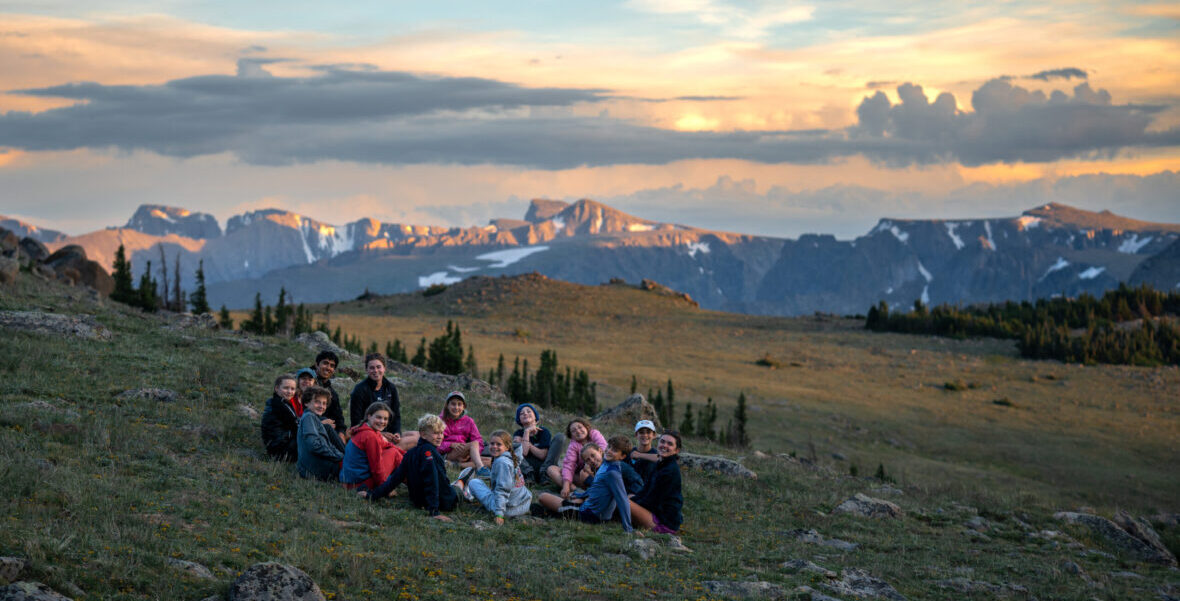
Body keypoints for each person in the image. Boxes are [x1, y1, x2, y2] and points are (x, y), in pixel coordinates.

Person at [365, 414, 458, 521]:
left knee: (453, 484)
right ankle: (463, 482)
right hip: (445, 502)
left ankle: (461, 481)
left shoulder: (410, 453)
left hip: (418, 502)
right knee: (458, 489)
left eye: (441, 433)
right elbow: (431, 481)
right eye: (436, 433)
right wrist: (434, 511)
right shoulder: (429, 452)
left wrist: (372, 495)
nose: (440, 436)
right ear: (423, 434)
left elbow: (395, 480)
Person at [539, 436, 634, 533]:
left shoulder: (613, 473)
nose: (609, 451)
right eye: (609, 447)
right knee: (570, 499)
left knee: (543, 497)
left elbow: (622, 500)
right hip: (589, 508)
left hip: (590, 515)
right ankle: (552, 511)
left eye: (614, 450)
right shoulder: (606, 464)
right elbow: (596, 489)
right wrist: (580, 494)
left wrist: (628, 529)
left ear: (622, 456)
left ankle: (550, 512)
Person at [454, 430, 532, 524]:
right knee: (482, 483)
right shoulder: (513, 456)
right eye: (492, 443)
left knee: (474, 483)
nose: (494, 446)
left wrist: (499, 514)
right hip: (524, 503)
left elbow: (502, 489)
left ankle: (467, 492)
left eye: (498, 444)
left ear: (507, 447)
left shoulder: (501, 462)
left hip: (508, 510)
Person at [350, 353, 418, 451]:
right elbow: (356, 423)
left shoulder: (391, 388)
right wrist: (380, 434)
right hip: (368, 434)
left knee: (419, 435)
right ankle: (391, 452)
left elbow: (396, 416)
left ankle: (392, 449)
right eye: (372, 368)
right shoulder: (359, 390)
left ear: (384, 368)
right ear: (366, 370)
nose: (375, 371)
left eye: (378, 367)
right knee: (414, 441)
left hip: (388, 433)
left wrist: (396, 433)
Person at [340, 402, 406, 491]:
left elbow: (387, 445)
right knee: (393, 453)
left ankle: (413, 479)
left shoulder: (364, 428)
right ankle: (416, 483)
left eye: (385, 419)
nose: (382, 421)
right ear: (369, 416)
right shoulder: (370, 436)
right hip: (358, 484)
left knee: (394, 451)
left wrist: (408, 456)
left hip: (348, 481)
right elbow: (376, 469)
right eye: (378, 417)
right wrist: (384, 489)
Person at [629, 431, 684, 534]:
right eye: (662, 442)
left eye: (670, 444)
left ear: (676, 450)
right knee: (628, 497)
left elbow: (651, 501)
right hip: (655, 513)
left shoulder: (669, 471)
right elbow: (645, 491)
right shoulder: (660, 464)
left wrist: (632, 503)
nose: (664, 446)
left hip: (663, 523)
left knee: (623, 501)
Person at [546, 417, 608, 498]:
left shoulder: (594, 434)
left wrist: (590, 464)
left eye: (580, 427)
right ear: (571, 436)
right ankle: (575, 491)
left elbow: (603, 447)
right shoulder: (573, 445)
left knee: (585, 472)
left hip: (599, 471)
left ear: (586, 427)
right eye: (574, 431)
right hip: (581, 477)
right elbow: (569, 465)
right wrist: (566, 485)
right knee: (552, 469)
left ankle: (592, 491)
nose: (578, 431)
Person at [296, 386, 346, 481]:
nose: (321, 406)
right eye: (317, 402)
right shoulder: (309, 417)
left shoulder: (313, 418)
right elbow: (314, 445)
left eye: (324, 403)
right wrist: (339, 457)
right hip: (316, 470)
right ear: (306, 403)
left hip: (316, 467)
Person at [437, 391, 487, 475]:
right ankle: (480, 469)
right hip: (446, 453)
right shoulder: (440, 420)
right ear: (447, 405)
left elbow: (479, 441)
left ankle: (455, 465)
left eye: (459, 404)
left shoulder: (469, 421)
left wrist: (472, 454)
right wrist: (450, 445)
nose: (456, 407)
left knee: (489, 461)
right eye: (453, 404)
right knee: (473, 444)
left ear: (464, 407)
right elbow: (434, 443)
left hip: (463, 451)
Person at [260, 374, 301, 462]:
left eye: (292, 389)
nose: (289, 391)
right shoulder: (278, 405)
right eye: (286, 388)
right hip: (280, 450)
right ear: (276, 388)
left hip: (279, 446)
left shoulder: (282, 403)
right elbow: (295, 426)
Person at [512, 403, 555, 484]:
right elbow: (524, 453)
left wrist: (527, 444)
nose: (525, 413)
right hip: (527, 468)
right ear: (519, 420)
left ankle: (544, 475)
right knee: (512, 446)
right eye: (522, 413)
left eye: (528, 411)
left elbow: (542, 455)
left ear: (535, 417)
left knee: (559, 437)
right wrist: (527, 432)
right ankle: (529, 475)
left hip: (542, 466)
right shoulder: (518, 433)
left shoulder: (544, 431)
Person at [310, 351, 347, 438]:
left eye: (332, 366)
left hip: (328, 432)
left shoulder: (332, 393)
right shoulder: (306, 384)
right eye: (325, 363)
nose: (328, 368)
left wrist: (341, 433)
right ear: (316, 364)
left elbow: (339, 418)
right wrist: (320, 423)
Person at [629, 419, 659, 485]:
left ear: (654, 435)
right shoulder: (630, 451)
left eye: (648, 432)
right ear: (636, 435)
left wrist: (639, 455)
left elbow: (661, 458)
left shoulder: (655, 453)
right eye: (641, 432)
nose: (645, 435)